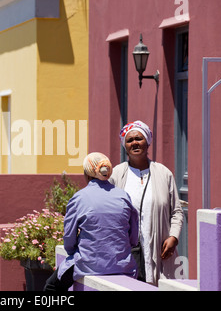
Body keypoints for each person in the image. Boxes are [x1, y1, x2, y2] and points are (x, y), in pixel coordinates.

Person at [44, 152, 139, 291]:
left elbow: (69, 240)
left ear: (87, 174)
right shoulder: (124, 196)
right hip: (122, 265)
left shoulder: (79, 198)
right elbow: (133, 238)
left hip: (89, 264)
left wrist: (73, 251)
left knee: (51, 287)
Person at [109, 120, 184, 286]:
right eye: (129, 140)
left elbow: (177, 211)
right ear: (125, 145)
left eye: (139, 138)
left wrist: (173, 237)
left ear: (148, 142)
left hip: (160, 250)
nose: (134, 143)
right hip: (128, 250)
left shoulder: (164, 173)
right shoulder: (117, 174)